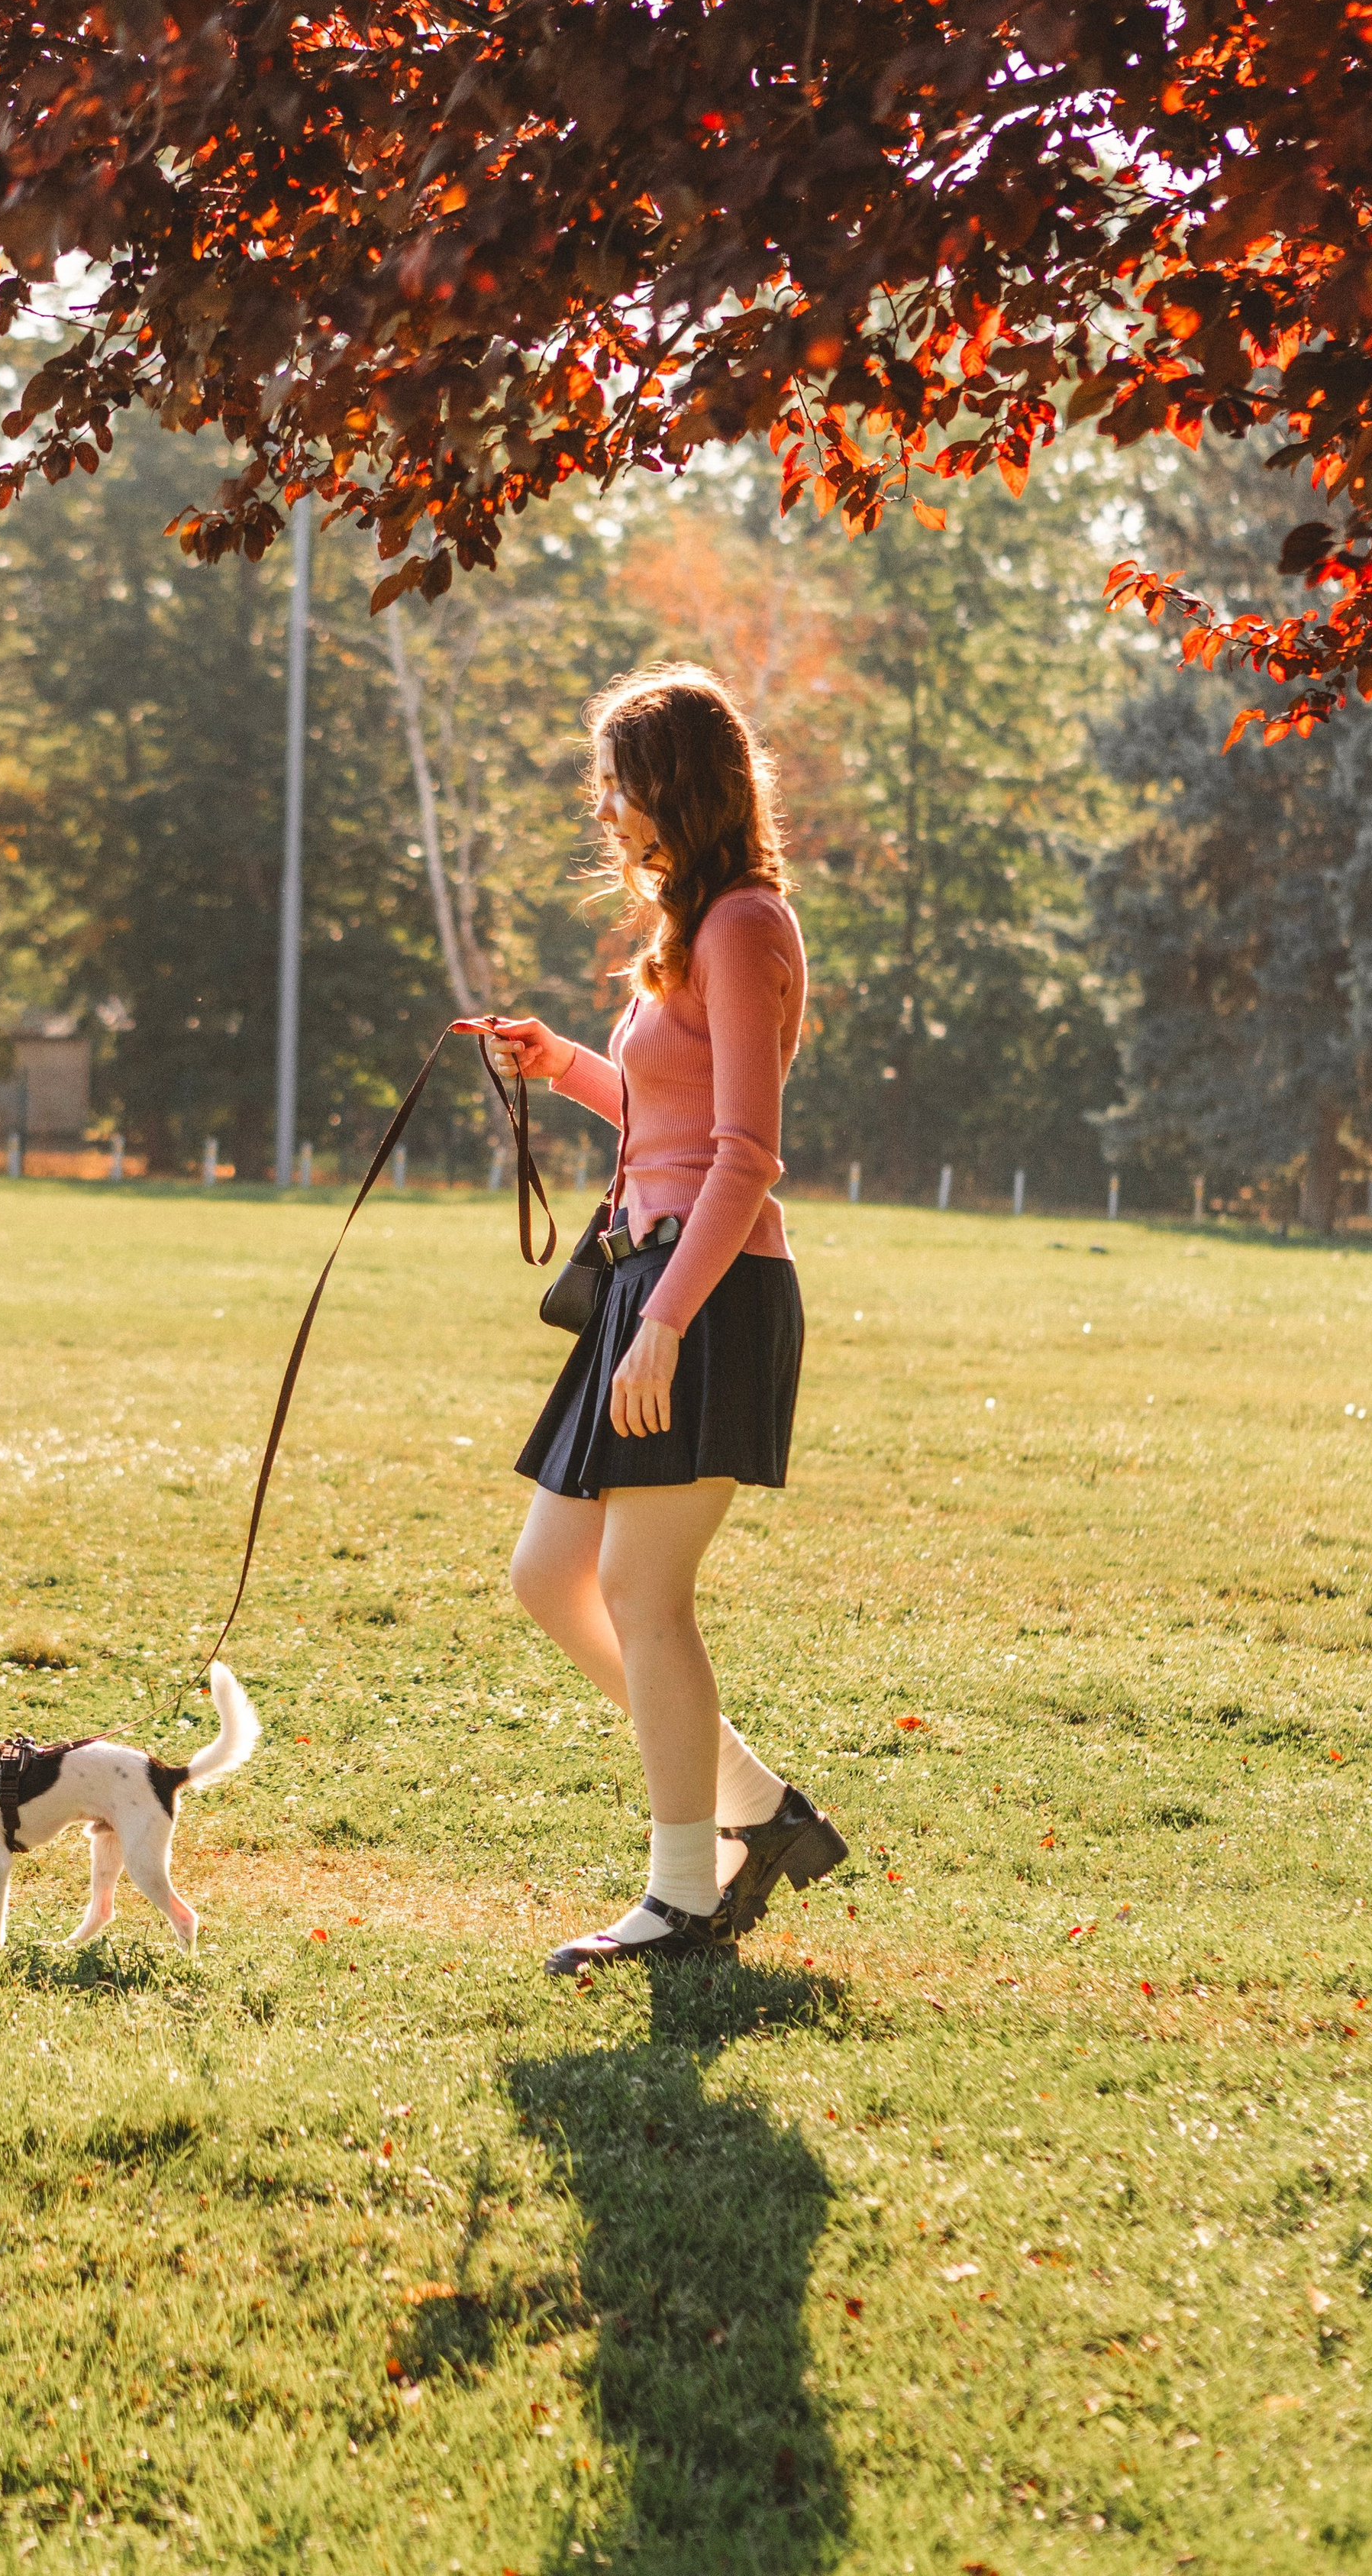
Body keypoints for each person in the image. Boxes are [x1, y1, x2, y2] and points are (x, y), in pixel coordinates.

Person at [489, 663, 847, 1973]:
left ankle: (685, 1893)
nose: (604, 807)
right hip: (651, 1281)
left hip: (709, 1292)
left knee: (643, 1591)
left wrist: (666, 1327)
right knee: (550, 1576)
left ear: (678, 786)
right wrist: (562, 1065)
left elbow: (745, 1155)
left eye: (618, 783)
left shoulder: (745, 925)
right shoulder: (689, 930)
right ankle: (755, 1807)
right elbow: (669, 1118)